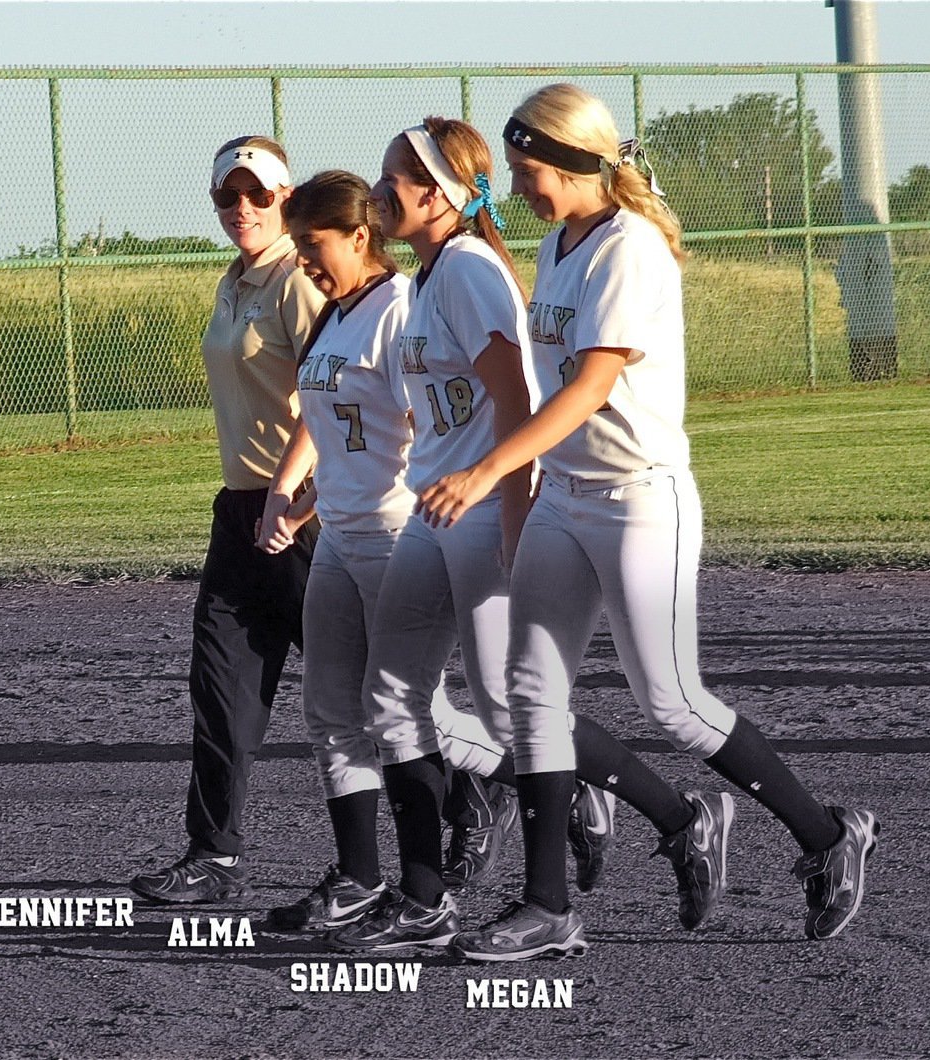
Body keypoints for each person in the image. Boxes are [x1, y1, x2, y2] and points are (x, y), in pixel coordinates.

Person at [416, 84, 881, 961]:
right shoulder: (562, 240)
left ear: (576, 166)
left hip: (639, 500)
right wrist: (525, 497)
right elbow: (555, 391)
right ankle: (547, 906)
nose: (519, 188)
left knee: (672, 702)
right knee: (533, 699)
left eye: (529, 170)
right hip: (565, 496)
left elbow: (590, 387)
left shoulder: (630, 251)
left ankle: (827, 834)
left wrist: (487, 470)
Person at [326, 117, 620, 954]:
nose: (378, 195)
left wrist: (515, 516)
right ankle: (423, 899)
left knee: (507, 705)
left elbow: (516, 403)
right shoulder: (429, 275)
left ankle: (668, 809)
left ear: (436, 192)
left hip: (486, 507)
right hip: (437, 507)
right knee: (392, 698)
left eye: (392, 182)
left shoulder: (467, 271)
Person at [252, 170, 518, 932]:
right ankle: (359, 879)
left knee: (409, 712)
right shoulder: (337, 314)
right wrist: (301, 505)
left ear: (360, 237)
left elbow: (429, 424)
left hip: (398, 532)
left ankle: (546, 784)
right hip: (338, 536)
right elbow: (343, 437)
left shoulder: (398, 311)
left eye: (313, 242)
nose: (302, 257)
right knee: (332, 709)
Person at [129, 136, 326, 903]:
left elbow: (334, 394)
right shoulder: (236, 279)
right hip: (241, 511)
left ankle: (507, 782)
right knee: (220, 683)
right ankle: (213, 856)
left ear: (286, 196)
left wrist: (293, 493)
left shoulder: (299, 281)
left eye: (257, 193)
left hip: (303, 513)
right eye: (225, 195)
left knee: (362, 693)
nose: (241, 207)